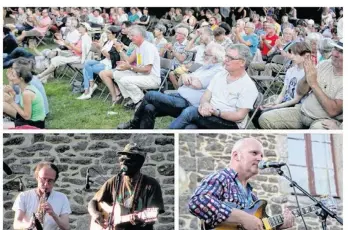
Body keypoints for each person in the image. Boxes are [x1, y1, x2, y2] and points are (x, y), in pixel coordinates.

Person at [188, 137, 295, 230]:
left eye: (262, 156)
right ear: (236, 156)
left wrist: (279, 226)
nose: (260, 158)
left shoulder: (253, 198)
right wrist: (242, 217)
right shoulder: (221, 178)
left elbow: (258, 226)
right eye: (254, 153)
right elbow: (197, 201)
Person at [117, 42, 226, 129]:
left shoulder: (217, 71)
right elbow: (182, 81)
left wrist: (186, 76)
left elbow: (196, 84)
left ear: (215, 58)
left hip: (187, 103)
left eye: (206, 54)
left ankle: (134, 124)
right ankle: (143, 136)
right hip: (178, 95)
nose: (203, 55)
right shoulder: (205, 67)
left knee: (151, 95)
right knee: (149, 107)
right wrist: (185, 76)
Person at [169, 44, 258, 129]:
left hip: (230, 123)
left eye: (230, 58)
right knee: (189, 128)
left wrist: (216, 112)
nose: (225, 59)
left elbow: (239, 116)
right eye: (226, 56)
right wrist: (205, 104)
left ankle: (164, 135)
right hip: (210, 114)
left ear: (242, 62)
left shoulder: (248, 86)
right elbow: (205, 96)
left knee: (190, 112)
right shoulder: (220, 75)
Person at [259, 39, 343, 129]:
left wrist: (314, 84)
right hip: (302, 111)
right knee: (265, 119)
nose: (334, 54)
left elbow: (333, 110)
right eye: (335, 49)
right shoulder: (324, 64)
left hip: (323, 120)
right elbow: (300, 92)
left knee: (317, 131)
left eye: (341, 51)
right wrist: (306, 78)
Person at [88, 143, 164, 230]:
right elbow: (92, 202)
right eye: (122, 160)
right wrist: (95, 214)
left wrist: (139, 218)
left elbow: (153, 214)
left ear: (139, 163)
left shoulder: (151, 184)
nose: (123, 164)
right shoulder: (113, 181)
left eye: (128, 161)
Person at [111, 25, 161, 109]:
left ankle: (141, 103)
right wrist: (120, 50)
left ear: (140, 36)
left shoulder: (148, 47)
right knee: (117, 74)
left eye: (132, 35)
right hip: (141, 75)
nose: (129, 38)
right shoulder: (138, 47)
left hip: (152, 78)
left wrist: (129, 67)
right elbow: (128, 61)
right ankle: (132, 99)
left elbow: (147, 70)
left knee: (125, 80)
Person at [12, 162, 71, 230]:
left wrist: (53, 214)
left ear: (55, 181)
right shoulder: (23, 196)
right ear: (37, 177)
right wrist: (28, 224)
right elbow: (16, 224)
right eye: (43, 179)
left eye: (50, 180)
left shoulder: (62, 198)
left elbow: (66, 227)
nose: (46, 184)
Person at [4, 58, 46, 129]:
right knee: (3, 105)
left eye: (13, 75)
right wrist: (12, 97)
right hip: (28, 118)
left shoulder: (27, 93)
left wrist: (11, 102)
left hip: (34, 124)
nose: (11, 77)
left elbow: (27, 116)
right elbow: (23, 108)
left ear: (21, 79)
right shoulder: (25, 86)